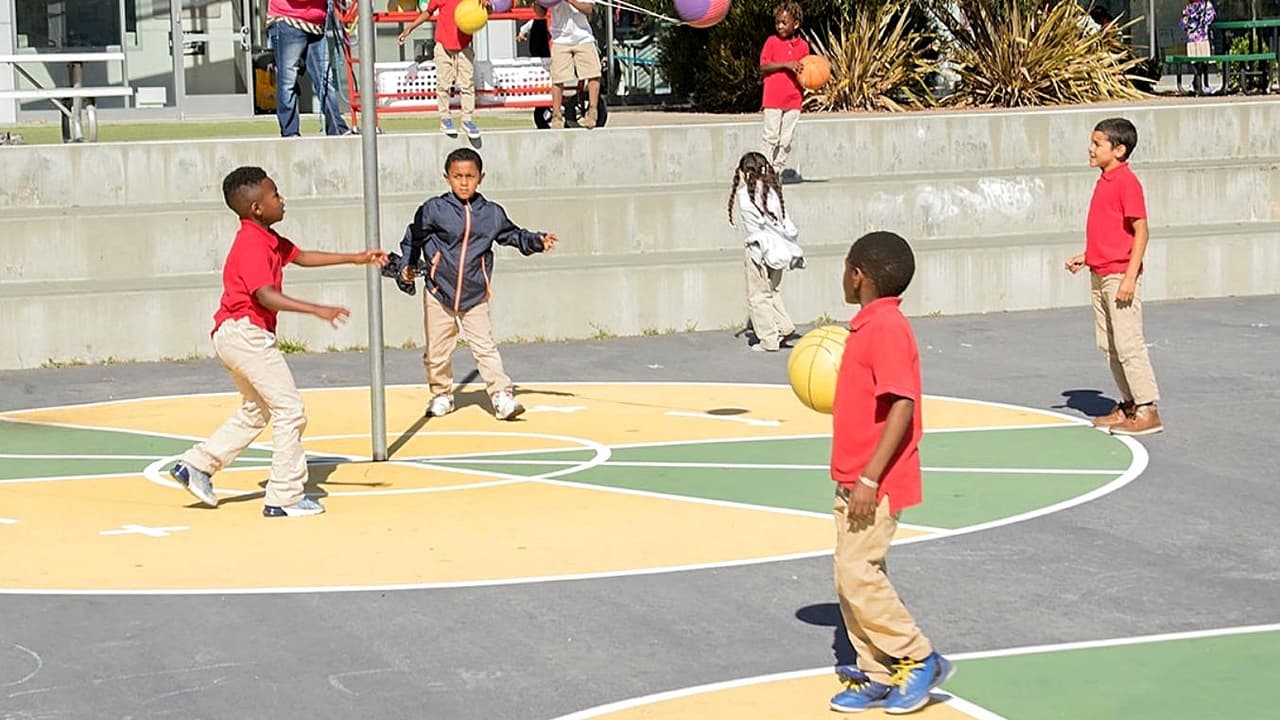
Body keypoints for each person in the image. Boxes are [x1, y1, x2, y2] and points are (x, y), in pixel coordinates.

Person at [168, 166, 388, 517]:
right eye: (275, 195)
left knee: (257, 411)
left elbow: (301, 257)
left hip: (234, 335)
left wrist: (357, 257)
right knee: (290, 411)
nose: (281, 199)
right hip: (246, 335)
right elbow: (266, 296)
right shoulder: (251, 244)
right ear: (257, 207)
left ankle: (197, 465)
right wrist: (318, 309)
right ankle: (283, 497)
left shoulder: (266, 238)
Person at [827, 231, 953, 714]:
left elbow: (903, 404)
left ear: (858, 275)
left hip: (875, 480)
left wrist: (869, 478)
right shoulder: (867, 326)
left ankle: (918, 657)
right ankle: (878, 670)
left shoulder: (887, 328)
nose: (843, 275)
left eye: (845, 267)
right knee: (849, 575)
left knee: (859, 572)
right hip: (854, 476)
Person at [396, 148, 558, 420]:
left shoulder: (491, 214)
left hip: (475, 294)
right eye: (457, 176)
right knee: (437, 350)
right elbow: (413, 237)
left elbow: (513, 235)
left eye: (470, 176)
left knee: (485, 347)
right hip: (438, 291)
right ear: (446, 177)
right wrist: (406, 266)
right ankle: (441, 394)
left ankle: (501, 396)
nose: (463, 182)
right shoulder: (433, 210)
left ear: (480, 178)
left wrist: (537, 241)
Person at [1065, 118, 1163, 435]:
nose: (1091, 149)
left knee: (1128, 342)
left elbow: (1141, 231)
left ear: (1118, 149)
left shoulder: (1126, 182)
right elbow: (1110, 230)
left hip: (1119, 275)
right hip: (1100, 271)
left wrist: (1129, 277)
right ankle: (1130, 404)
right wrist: (1088, 256)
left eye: (1097, 144)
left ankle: (1147, 408)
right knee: (1108, 344)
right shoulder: (1105, 180)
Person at [727, 151, 803, 353]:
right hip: (778, 251)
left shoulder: (745, 196)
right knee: (772, 291)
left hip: (758, 252)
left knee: (758, 296)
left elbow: (754, 226)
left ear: (744, 173)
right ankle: (784, 326)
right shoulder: (773, 191)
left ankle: (768, 339)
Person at [398, 0, 484, 139]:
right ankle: (445, 118)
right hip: (443, 46)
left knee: (467, 84)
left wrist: (488, 7)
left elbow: (485, 12)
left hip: (464, 46)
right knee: (443, 84)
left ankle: (467, 120)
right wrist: (410, 28)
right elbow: (428, 12)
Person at [268, 0, 351, 137]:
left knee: (325, 79)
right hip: (288, 21)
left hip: (316, 25)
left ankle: (337, 129)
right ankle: (290, 133)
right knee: (288, 82)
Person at [759, 2, 809, 181]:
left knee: (786, 140)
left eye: (784, 22)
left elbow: (807, 71)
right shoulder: (772, 42)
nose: (780, 26)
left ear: (795, 24)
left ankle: (775, 170)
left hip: (794, 99)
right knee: (770, 137)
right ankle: (764, 171)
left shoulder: (803, 47)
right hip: (773, 98)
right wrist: (785, 64)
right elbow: (764, 66)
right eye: (777, 22)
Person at [547, 0, 602, 129]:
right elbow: (540, 12)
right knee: (558, 77)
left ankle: (592, 111)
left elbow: (589, 10)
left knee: (593, 73)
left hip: (583, 37)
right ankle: (556, 115)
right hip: (560, 38)